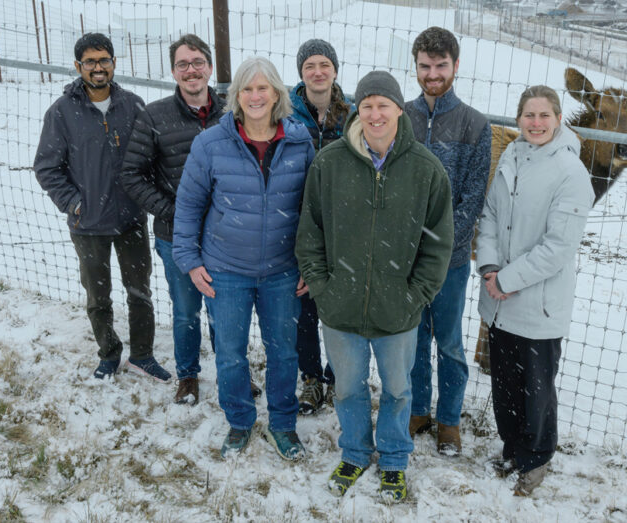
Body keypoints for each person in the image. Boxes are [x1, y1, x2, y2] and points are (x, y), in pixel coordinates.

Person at [296, 70, 454, 502]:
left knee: (399, 390)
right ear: (357, 110)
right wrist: (323, 288)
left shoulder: (426, 170)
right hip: (340, 307)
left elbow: (438, 245)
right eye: (367, 105)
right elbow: (309, 232)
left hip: (397, 310)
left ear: (400, 110)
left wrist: (414, 296)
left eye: (384, 105)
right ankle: (354, 452)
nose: (375, 113)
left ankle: (394, 459)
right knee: (347, 387)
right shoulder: (329, 163)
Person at [173, 57, 315, 461]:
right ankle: (239, 421)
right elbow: (188, 205)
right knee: (230, 352)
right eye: (247, 89)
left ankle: (283, 424)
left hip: (282, 272)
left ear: (277, 95)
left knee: (284, 351)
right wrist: (189, 257)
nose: (255, 96)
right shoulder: (211, 143)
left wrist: (310, 263)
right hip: (226, 270)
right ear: (235, 96)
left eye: (263, 88)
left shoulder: (299, 141)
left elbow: (313, 209)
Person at [475, 85, 594, 496]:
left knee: (536, 390)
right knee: (504, 383)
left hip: (536, 305)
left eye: (545, 115)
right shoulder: (512, 155)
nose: (536, 123)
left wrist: (506, 280)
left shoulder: (570, 173)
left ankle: (536, 458)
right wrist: (490, 267)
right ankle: (512, 448)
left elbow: (557, 248)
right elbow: (490, 214)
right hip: (499, 300)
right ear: (520, 118)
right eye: (529, 115)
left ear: (559, 119)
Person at [34, 33, 170, 382]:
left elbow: (151, 158)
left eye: (104, 59)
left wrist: (150, 197)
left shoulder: (134, 105)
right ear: (78, 66)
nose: (98, 67)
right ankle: (109, 354)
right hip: (88, 223)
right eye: (90, 61)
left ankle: (142, 355)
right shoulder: (62, 112)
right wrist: (73, 203)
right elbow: (47, 167)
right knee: (98, 296)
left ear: (113, 63)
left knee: (140, 292)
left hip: (131, 220)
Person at [120, 34, 225, 405]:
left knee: (224, 311)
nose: (191, 70)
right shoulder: (155, 115)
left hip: (225, 235)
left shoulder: (231, 110)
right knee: (186, 311)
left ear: (209, 67)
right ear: (173, 71)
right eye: (183, 64)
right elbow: (132, 174)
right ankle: (188, 377)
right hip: (175, 235)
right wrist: (174, 212)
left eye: (198, 62)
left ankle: (231, 373)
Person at [405, 26, 492, 455]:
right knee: (413, 336)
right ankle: (418, 408)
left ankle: (449, 420)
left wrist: (439, 246)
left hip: (451, 260)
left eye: (441, 65)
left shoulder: (476, 125)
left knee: (450, 341)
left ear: (456, 66)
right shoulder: (401, 117)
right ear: (416, 66)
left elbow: (473, 197)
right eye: (425, 66)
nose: (433, 74)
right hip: (402, 257)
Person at [289, 38, 353, 414]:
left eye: (324, 65)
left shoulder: (353, 115)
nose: (317, 72)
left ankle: (337, 375)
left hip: (343, 227)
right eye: (310, 65)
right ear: (301, 72)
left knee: (338, 305)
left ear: (334, 70)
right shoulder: (288, 113)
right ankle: (311, 378)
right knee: (303, 308)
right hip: (297, 223)